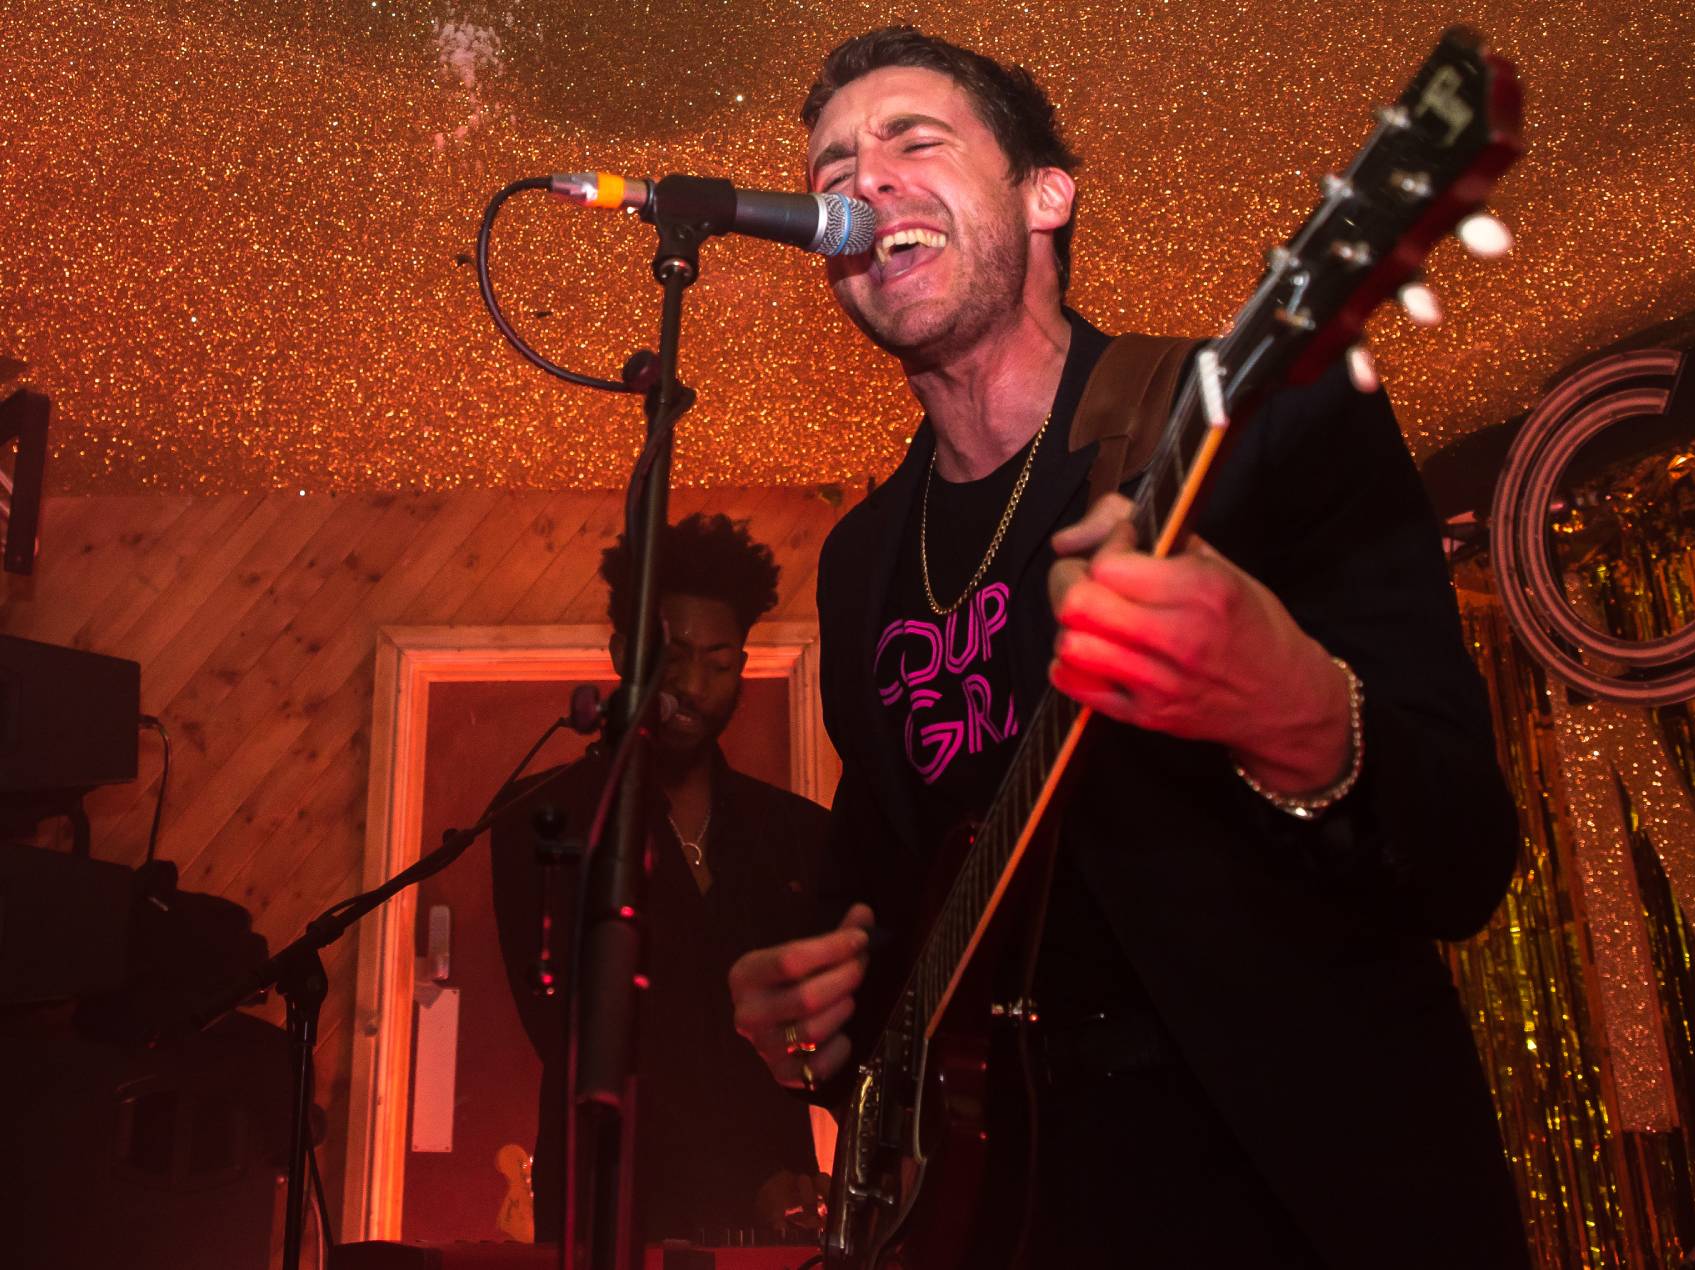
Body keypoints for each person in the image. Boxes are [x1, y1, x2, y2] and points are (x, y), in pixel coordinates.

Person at [726, 27, 1528, 1268]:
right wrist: (818, 1009)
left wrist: (1296, 710)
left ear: (1047, 194)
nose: (857, 183)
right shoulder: (862, 559)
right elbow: (889, 883)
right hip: (994, 1211)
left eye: (912, 142)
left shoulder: (1258, 425)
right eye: (833, 166)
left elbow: (1463, 852)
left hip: (1288, 1189)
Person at [490, 513, 830, 1245]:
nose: (692, 686)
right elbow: (576, 1036)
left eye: (720, 661)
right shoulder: (541, 817)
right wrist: (746, 1176)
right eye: (673, 655)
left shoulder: (796, 834)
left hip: (776, 1219)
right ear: (623, 652)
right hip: (609, 1206)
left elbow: (822, 1035)